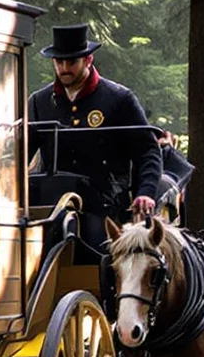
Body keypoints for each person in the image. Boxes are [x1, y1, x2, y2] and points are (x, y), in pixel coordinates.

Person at [28, 22, 159, 224]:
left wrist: (146, 192)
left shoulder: (119, 99)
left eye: (71, 62)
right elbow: (21, 154)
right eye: (58, 62)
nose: (64, 69)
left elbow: (147, 151)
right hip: (51, 208)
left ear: (88, 59)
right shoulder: (39, 102)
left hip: (105, 208)